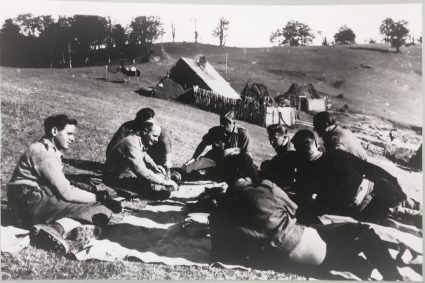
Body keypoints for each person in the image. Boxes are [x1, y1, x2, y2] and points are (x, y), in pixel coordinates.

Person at [209, 166, 402, 280]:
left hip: (274, 257)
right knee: (364, 233)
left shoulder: (220, 208)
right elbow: (294, 210)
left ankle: (361, 267)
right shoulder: (265, 188)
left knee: (338, 245)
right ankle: (394, 279)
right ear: (247, 176)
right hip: (305, 248)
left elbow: (218, 249)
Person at [7, 114, 121, 254]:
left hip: (29, 200)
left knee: (98, 210)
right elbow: (66, 192)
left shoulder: (44, 148)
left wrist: (92, 192)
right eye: (69, 134)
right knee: (101, 209)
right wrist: (100, 198)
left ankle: (70, 228)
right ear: (54, 131)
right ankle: (55, 229)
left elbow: (62, 182)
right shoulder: (44, 153)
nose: (73, 138)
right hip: (30, 201)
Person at [290, 129, 421, 226]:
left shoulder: (307, 172)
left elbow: (306, 202)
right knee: (396, 210)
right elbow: (370, 168)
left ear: (298, 151)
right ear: (316, 144)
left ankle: (404, 211)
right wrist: (395, 183)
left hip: (360, 209)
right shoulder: (337, 154)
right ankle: (409, 209)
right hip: (376, 192)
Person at [103, 120, 178, 198]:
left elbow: (144, 155)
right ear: (145, 131)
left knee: (156, 183)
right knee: (159, 192)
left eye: (158, 137)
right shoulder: (131, 144)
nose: (156, 140)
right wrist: (165, 183)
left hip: (123, 174)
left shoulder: (137, 140)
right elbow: (143, 172)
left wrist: (155, 166)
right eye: (154, 136)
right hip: (113, 179)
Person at [183, 109, 251, 175]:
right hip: (213, 160)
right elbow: (203, 144)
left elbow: (247, 155)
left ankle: (211, 172)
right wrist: (194, 158)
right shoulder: (215, 131)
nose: (223, 125)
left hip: (231, 164)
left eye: (227, 122)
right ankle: (211, 171)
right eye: (222, 121)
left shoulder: (242, 134)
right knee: (187, 169)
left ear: (234, 122)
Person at [106, 108, 173, 170]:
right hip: (131, 156)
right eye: (146, 123)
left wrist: (167, 161)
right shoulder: (128, 127)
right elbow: (114, 146)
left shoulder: (154, 128)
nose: (147, 125)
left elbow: (165, 141)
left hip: (149, 155)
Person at [260, 124, 296, 190]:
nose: (271, 142)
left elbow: (288, 177)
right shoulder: (282, 144)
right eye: (270, 138)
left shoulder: (291, 152)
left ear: (284, 137)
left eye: (275, 139)